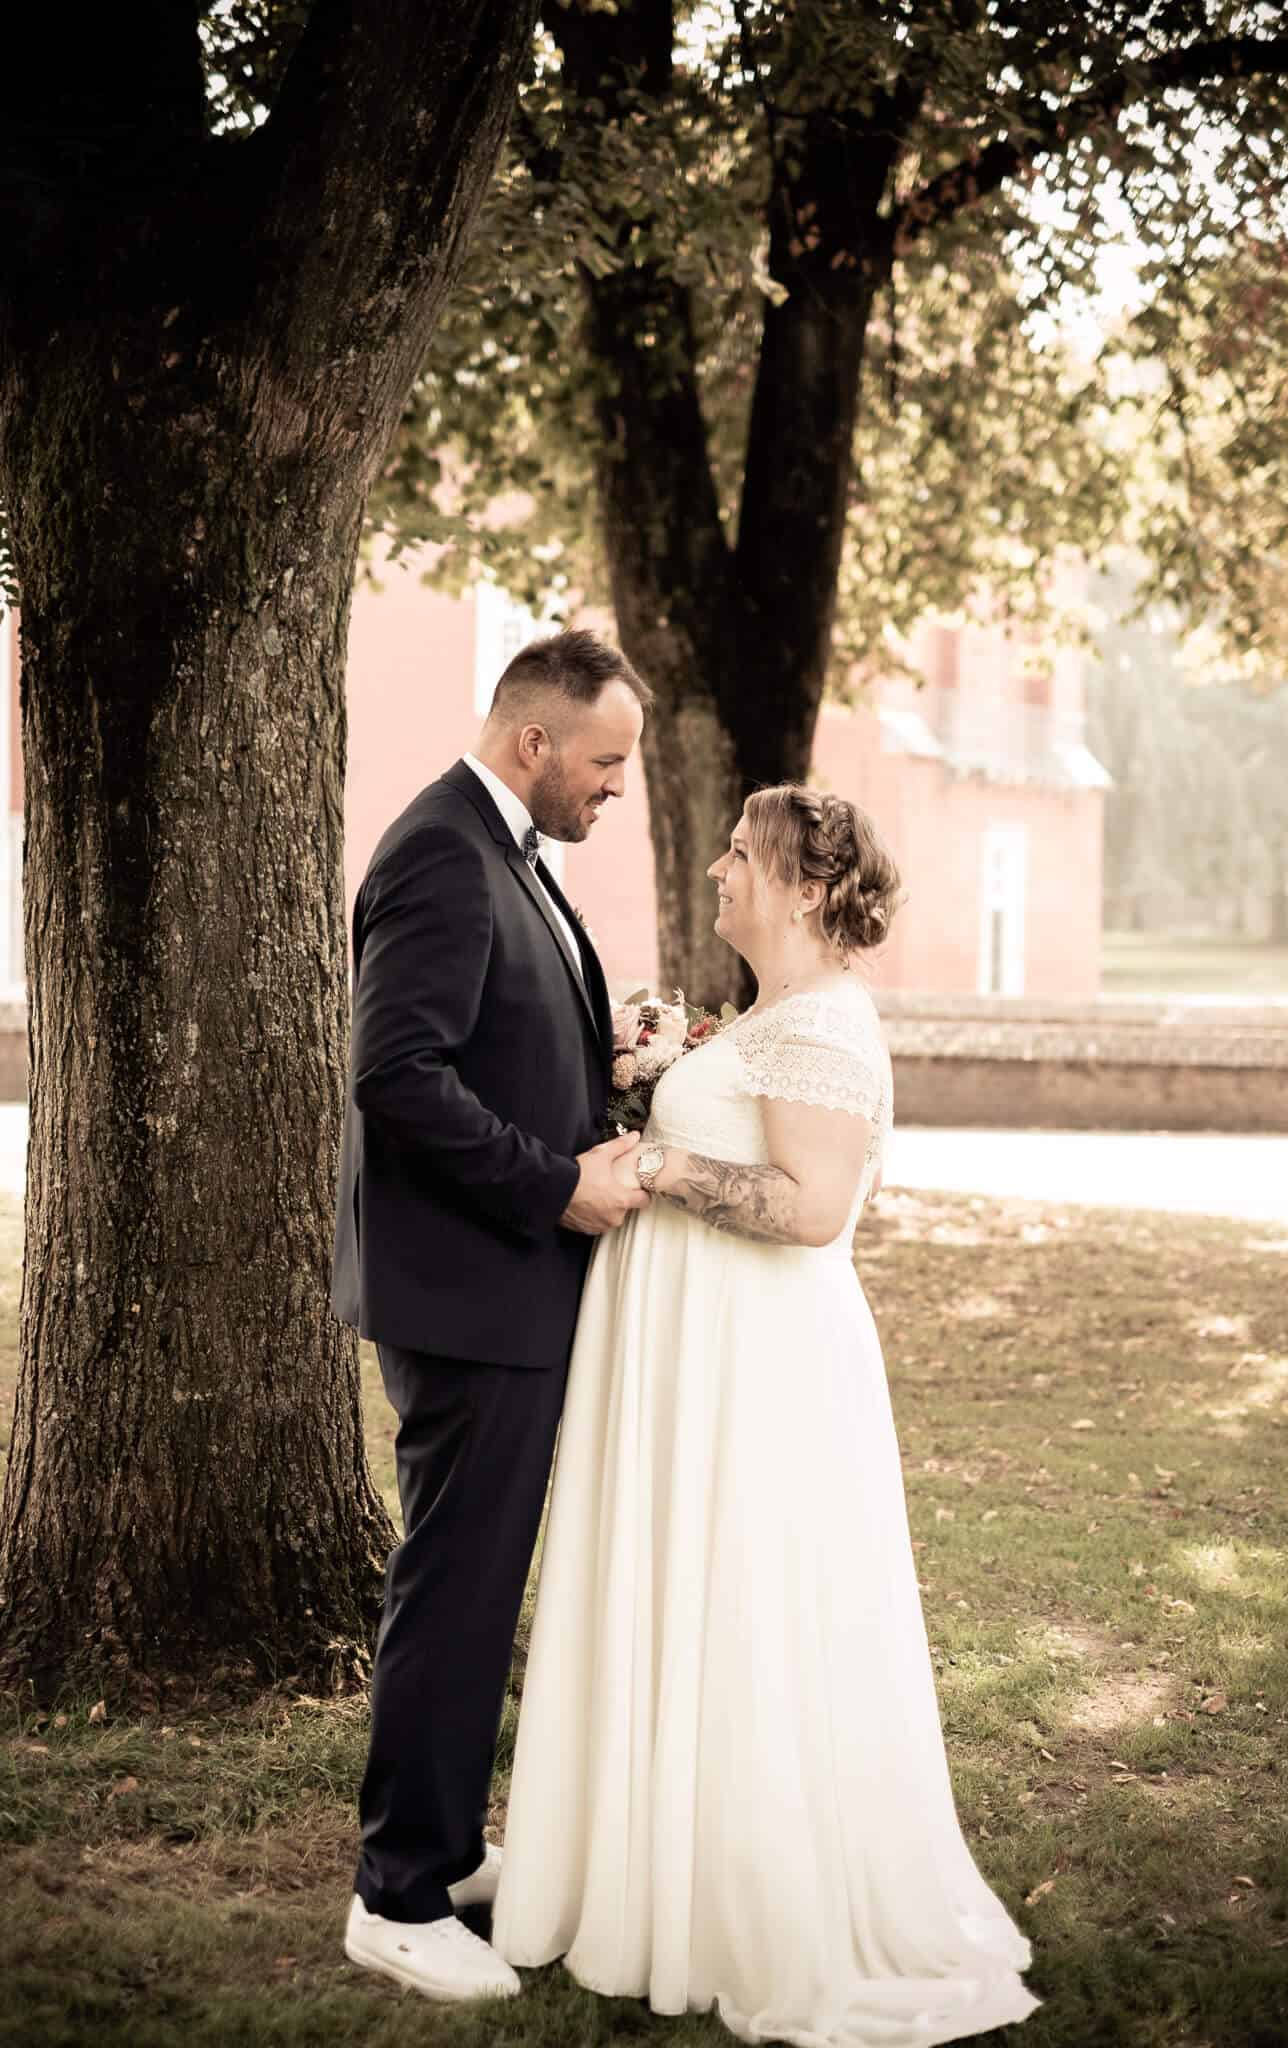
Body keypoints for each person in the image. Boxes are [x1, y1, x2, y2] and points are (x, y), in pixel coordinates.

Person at [493, 782, 1042, 2046]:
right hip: (693, 1347)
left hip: (757, 1361)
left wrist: (661, 1162)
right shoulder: (769, 1015)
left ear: (804, 887)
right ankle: (643, 1865)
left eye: (743, 854)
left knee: (744, 1601)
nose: (719, 869)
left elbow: (810, 1209)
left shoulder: (828, 1028)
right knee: (680, 1590)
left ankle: (743, 1895)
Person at [331, 628, 652, 2003]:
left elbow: (492, 1040)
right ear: (535, 741)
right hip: (469, 1293)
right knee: (454, 1592)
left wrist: (610, 1064)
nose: (617, 787)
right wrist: (554, 1186)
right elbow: (395, 1073)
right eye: (607, 761)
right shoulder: (441, 852)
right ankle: (396, 1893)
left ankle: (450, 1847)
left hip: (501, 1289)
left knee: (474, 1588)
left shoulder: (503, 849)